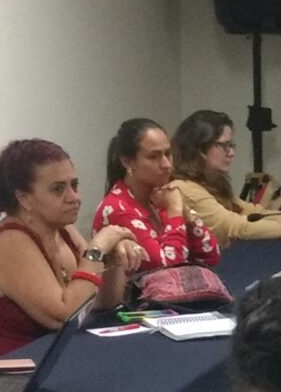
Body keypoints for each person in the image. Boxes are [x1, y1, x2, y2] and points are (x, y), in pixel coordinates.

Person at [0, 139, 139, 361]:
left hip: (44, 358)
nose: (75, 197)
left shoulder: (62, 229)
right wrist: (97, 248)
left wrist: (113, 257)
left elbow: (101, 302)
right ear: (24, 199)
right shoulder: (12, 241)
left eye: (74, 185)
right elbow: (66, 315)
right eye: (58, 189)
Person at [171, 110, 281, 245]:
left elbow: (254, 214)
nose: (231, 153)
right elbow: (236, 228)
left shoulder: (212, 182)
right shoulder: (184, 188)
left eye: (231, 145)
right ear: (200, 148)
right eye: (224, 145)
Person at [95, 119, 224, 279]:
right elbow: (168, 270)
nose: (166, 164)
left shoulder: (159, 197)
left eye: (168, 154)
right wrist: (175, 212)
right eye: (153, 157)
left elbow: (211, 256)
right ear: (128, 162)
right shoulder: (117, 208)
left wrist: (186, 214)